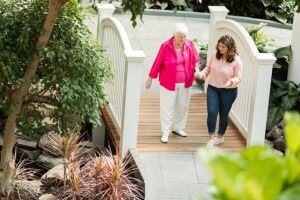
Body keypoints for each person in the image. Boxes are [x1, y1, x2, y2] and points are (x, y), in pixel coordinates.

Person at [145, 23, 200, 143]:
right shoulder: (165, 46)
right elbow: (157, 62)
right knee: (167, 107)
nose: (183, 39)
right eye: (180, 36)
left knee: (182, 106)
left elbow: (195, 60)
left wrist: (196, 69)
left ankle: (178, 127)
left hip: (186, 81)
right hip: (168, 82)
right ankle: (165, 132)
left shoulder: (189, 44)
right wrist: (150, 78)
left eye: (185, 36)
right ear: (174, 35)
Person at [196, 35, 243, 147]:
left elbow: (238, 77)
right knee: (212, 112)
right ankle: (212, 137)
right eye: (219, 46)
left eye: (223, 47)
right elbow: (207, 68)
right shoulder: (214, 55)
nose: (220, 49)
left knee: (223, 114)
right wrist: (202, 74)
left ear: (230, 48)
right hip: (213, 88)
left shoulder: (237, 61)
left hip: (229, 91)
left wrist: (231, 81)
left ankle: (220, 136)